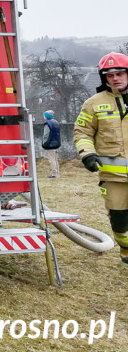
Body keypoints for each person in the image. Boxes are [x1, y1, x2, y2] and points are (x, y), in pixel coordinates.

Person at [74, 52, 128, 265]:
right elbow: (82, 132)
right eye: (110, 74)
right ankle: (126, 251)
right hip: (113, 177)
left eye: (120, 73)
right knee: (119, 220)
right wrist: (87, 154)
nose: (115, 78)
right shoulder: (93, 103)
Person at [41, 110, 61, 178]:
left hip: (50, 144)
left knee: (52, 159)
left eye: (44, 115)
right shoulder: (55, 122)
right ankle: (57, 173)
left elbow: (46, 135)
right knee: (55, 159)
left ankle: (54, 173)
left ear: (46, 116)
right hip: (56, 143)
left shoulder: (47, 123)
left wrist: (44, 143)